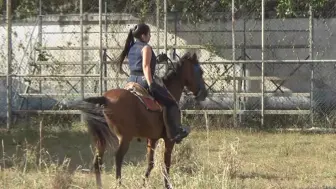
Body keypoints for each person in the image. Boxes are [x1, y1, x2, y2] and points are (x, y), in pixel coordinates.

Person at [116, 23, 189, 144]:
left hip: (131, 80)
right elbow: (145, 66)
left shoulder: (131, 47)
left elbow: (138, 63)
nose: (150, 36)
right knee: (170, 103)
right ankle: (174, 133)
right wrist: (151, 84)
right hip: (143, 81)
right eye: (149, 34)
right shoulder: (146, 47)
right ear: (144, 36)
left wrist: (156, 59)